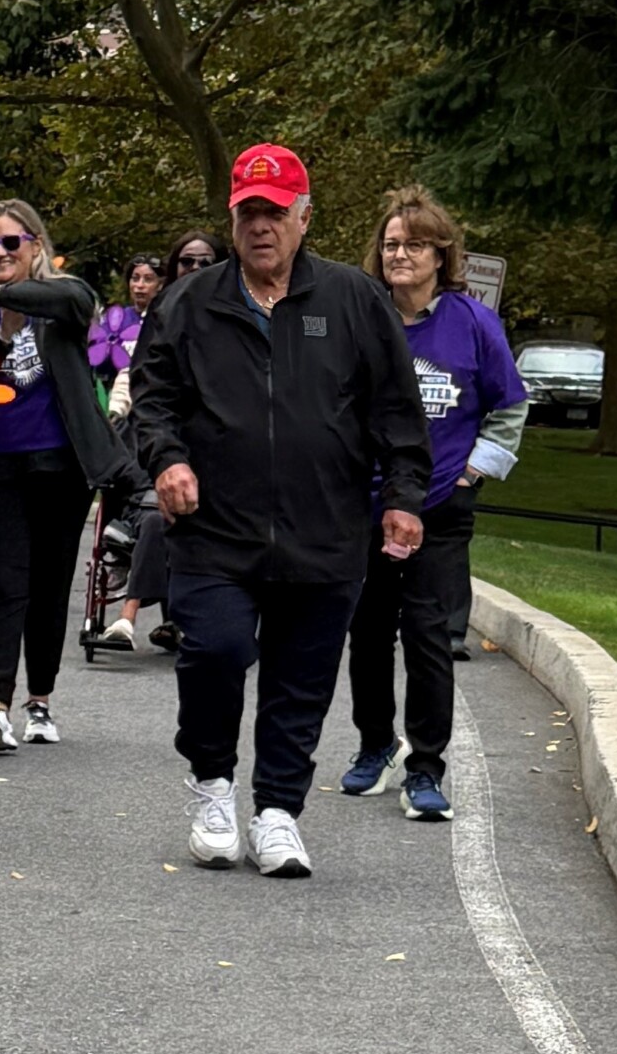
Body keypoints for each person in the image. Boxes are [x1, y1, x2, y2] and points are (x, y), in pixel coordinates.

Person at [128, 144, 431, 881]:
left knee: (302, 677)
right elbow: (153, 397)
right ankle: (212, 786)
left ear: (304, 216)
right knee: (216, 651)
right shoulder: (190, 302)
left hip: (325, 530)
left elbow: (396, 409)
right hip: (214, 529)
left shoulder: (354, 300)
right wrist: (167, 459)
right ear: (233, 217)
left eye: (274, 211)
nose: (260, 226)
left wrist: (403, 497)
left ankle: (277, 813)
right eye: (248, 212)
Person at [342, 187, 529, 820]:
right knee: (366, 635)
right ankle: (375, 747)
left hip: (440, 507)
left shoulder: (473, 322)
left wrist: (475, 474)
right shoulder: (362, 316)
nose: (400, 255)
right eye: (392, 244)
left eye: (414, 245)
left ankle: (426, 766)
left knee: (426, 635)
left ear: (441, 254)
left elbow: (509, 404)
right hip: (361, 506)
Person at [0, 200, 129, 751]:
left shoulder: (63, 296)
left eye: (10, 243)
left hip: (61, 466)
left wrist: (4, 295)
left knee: (49, 586)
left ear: (35, 244)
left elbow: (78, 302)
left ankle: (40, 702)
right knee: (5, 583)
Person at [97, 233, 221, 650]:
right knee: (157, 513)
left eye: (207, 262)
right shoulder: (161, 320)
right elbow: (138, 389)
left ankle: (176, 617)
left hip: (221, 469)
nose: (196, 270)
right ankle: (127, 618)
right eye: (187, 261)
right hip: (157, 465)